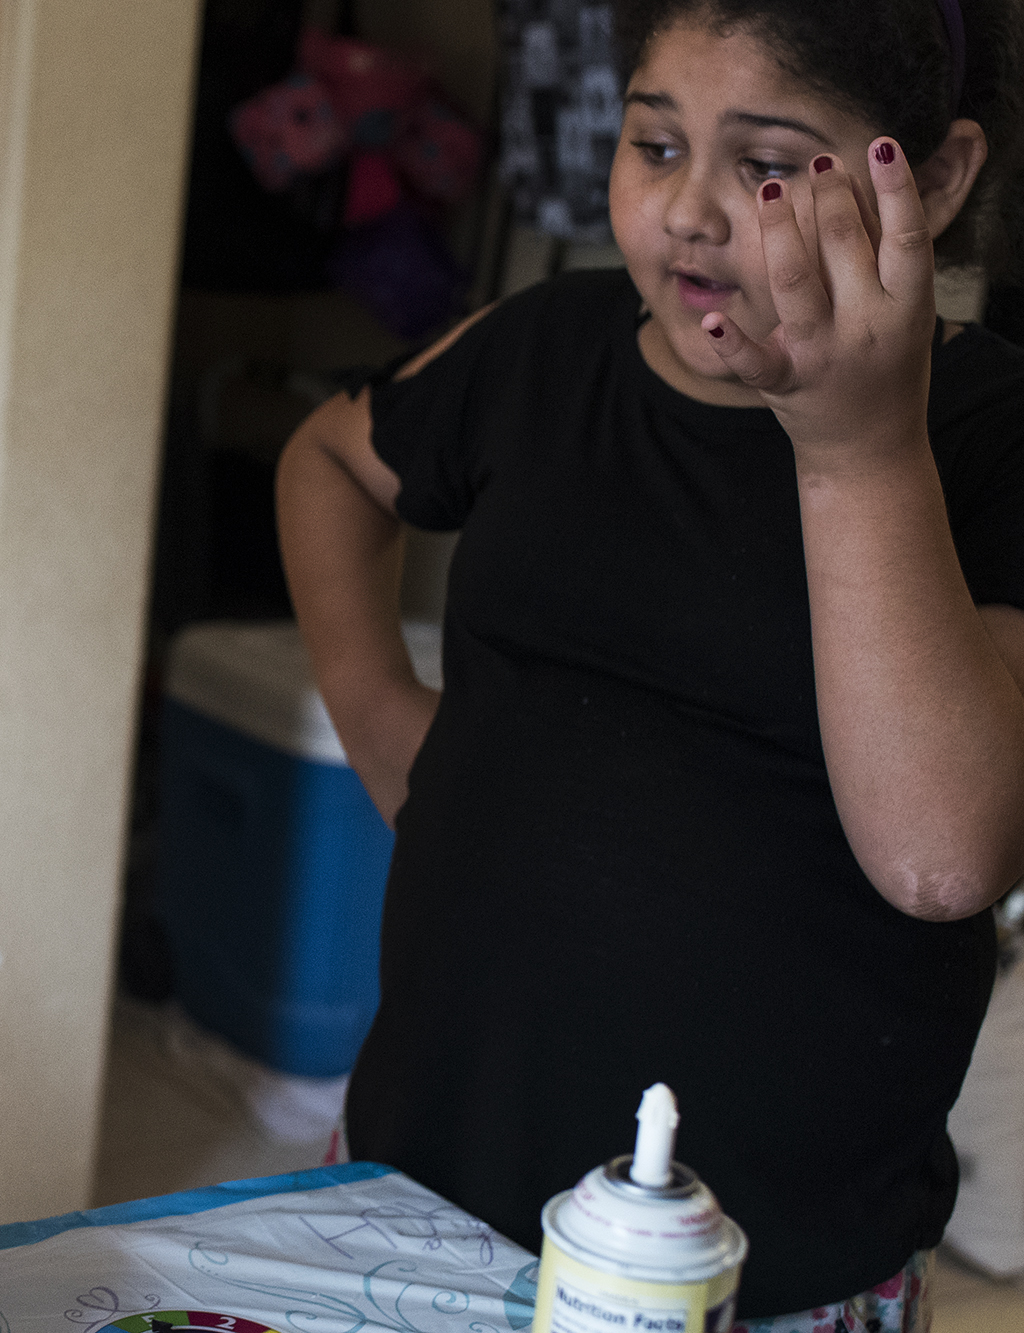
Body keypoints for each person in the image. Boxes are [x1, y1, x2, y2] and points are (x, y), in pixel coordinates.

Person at [278, 0, 1024, 1325]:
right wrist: (379, 707)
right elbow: (330, 462)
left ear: (942, 177)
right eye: (656, 142)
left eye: (768, 163)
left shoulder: (990, 443)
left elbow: (944, 857)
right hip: (416, 1192)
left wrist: (855, 446)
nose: (688, 211)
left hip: (766, 1271)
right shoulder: (547, 348)